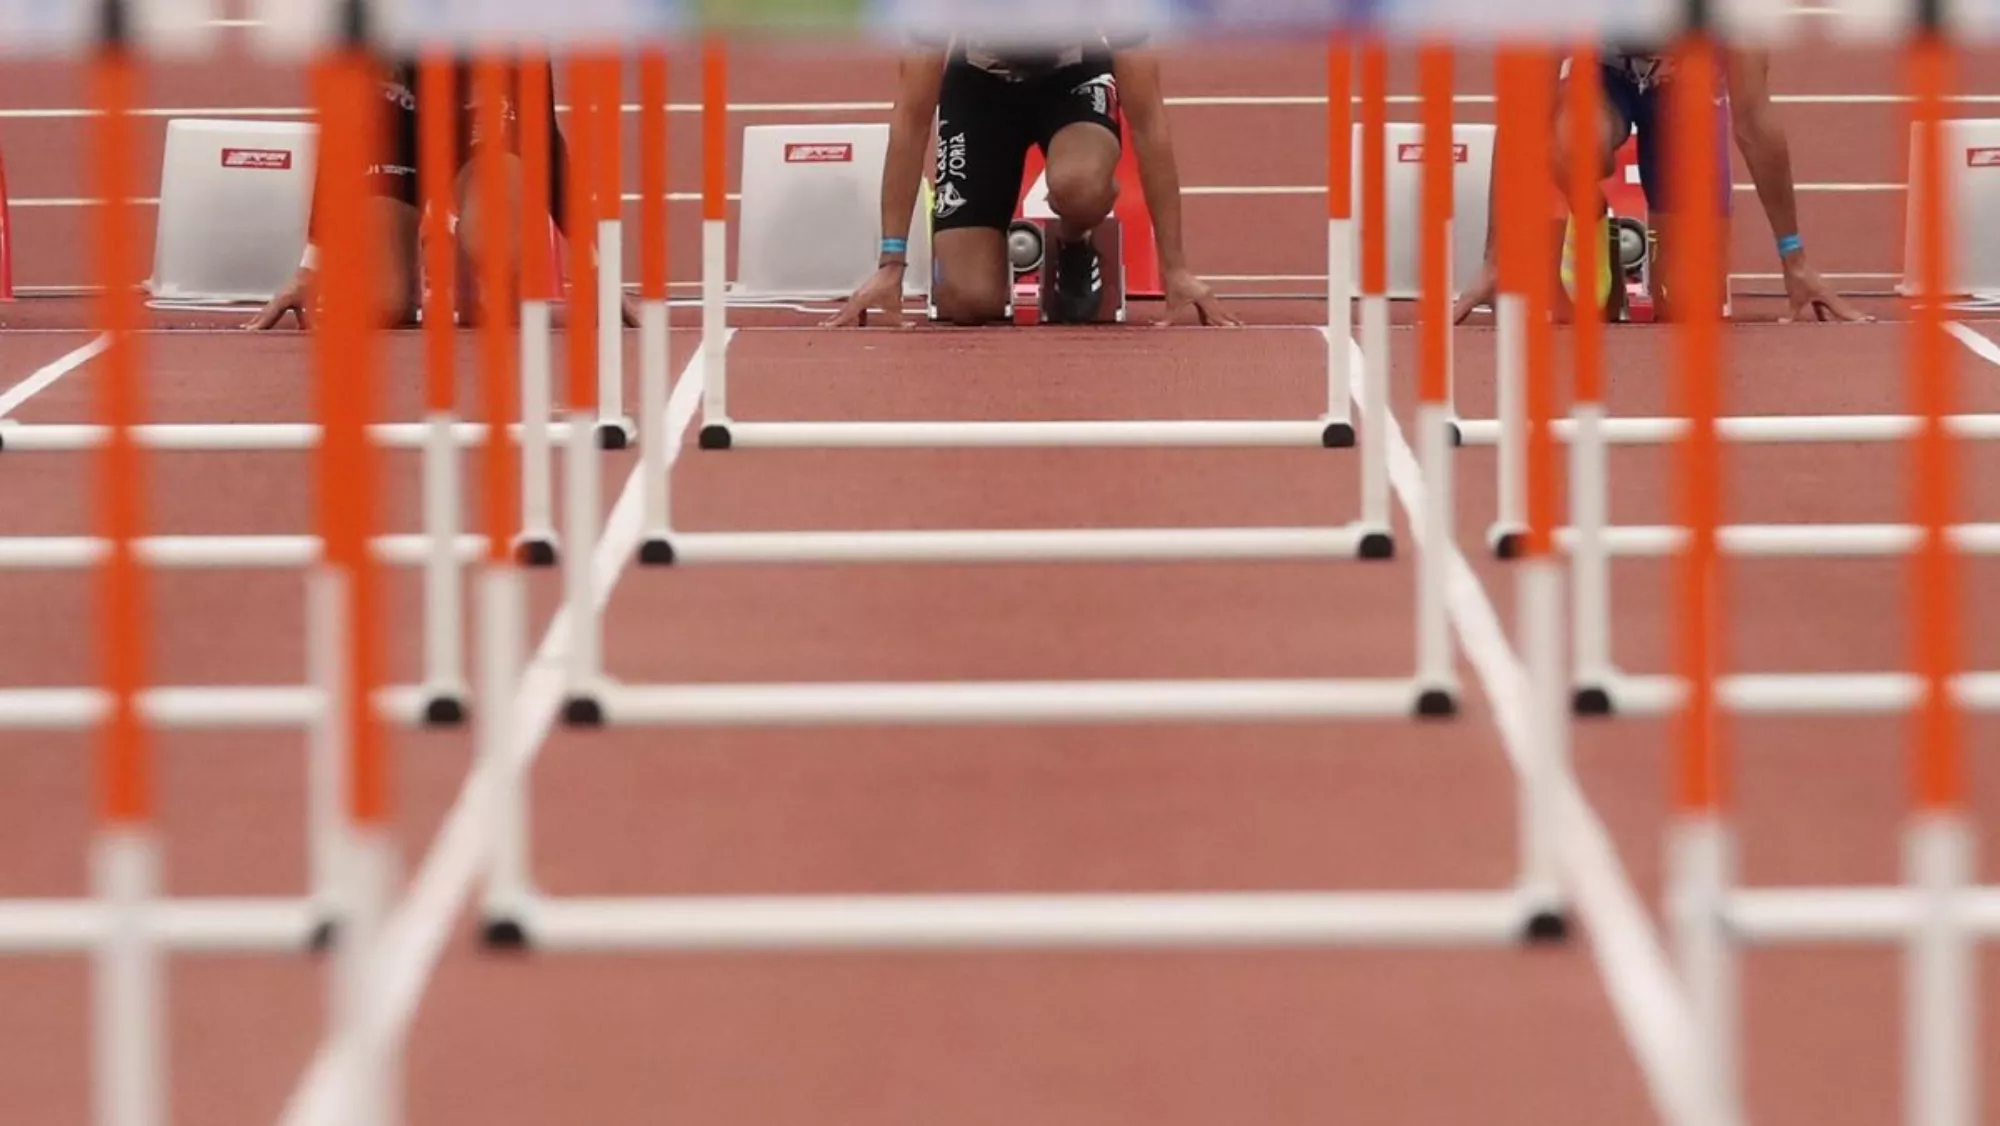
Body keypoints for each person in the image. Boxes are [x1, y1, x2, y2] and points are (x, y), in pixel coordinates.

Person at [824, 36, 1240, 328]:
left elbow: (1149, 122)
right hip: (978, 87)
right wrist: (891, 263)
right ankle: (984, 242)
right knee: (967, 302)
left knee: (1081, 187)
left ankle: (1076, 243)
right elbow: (911, 119)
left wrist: (1176, 269)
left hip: (1074, 78)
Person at [1453, 46, 1868, 325]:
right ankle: (1591, 214)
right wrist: (1496, 257)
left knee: (1687, 305)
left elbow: (1755, 122)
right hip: (1602, 79)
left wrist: (1793, 257)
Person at [248, 57, 637, 331]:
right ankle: (418, 242)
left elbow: (544, 138)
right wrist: (310, 265)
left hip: (485, 128)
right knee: (380, 304)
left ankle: (463, 241)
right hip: (399, 131)